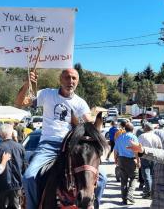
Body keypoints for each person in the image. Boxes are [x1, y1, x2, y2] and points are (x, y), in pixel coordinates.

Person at [15, 69, 107, 209]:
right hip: (47, 146)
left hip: (72, 147)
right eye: (67, 78)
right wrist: (28, 84)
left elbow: (89, 122)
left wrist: (97, 124)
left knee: (102, 178)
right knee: (29, 177)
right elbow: (20, 102)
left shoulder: (80, 103)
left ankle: (93, 205)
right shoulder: (47, 94)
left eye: (74, 78)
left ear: (77, 81)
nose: (70, 81)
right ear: (60, 79)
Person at [0, 124, 26, 209]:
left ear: (0, 134)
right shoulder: (20, 147)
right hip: (17, 184)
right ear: (11, 133)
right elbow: (24, 167)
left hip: (1, 185)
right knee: (16, 206)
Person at [114, 123, 140, 205]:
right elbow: (136, 150)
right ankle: (130, 194)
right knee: (134, 177)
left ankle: (124, 199)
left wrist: (115, 160)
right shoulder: (133, 137)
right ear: (133, 130)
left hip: (121, 160)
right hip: (131, 160)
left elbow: (115, 150)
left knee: (123, 180)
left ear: (125, 129)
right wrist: (138, 161)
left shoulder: (120, 137)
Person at [138, 122, 162, 198]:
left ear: (146, 128)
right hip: (154, 157)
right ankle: (149, 191)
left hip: (145, 157)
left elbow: (138, 147)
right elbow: (160, 148)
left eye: (144, 127)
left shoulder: (142, 136)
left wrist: (137, 158)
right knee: (152, 175)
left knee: (146, 175)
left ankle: (148, 193)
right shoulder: (156, 137)